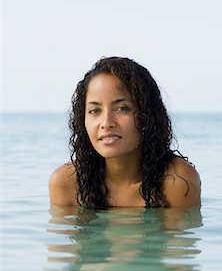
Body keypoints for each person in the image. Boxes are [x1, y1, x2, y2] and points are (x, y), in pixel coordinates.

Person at [49, 56, 201, 209]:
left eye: (122, 108)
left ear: (147, 115)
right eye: (94, 110)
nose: (106, 123)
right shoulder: (66, 182)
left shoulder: (177, 181)